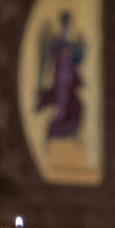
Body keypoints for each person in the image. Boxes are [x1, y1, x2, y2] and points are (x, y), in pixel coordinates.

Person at [36, 9, 89, 142]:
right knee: (62, 105)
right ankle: (58, 128)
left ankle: (70, 130)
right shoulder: (57, 44)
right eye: (65, 24)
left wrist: (80, 49)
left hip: (69, 79)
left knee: (75, 105)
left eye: (68, 24)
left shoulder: (71, 45)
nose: (67, 27)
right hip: (60, 79)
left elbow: (77, 59)